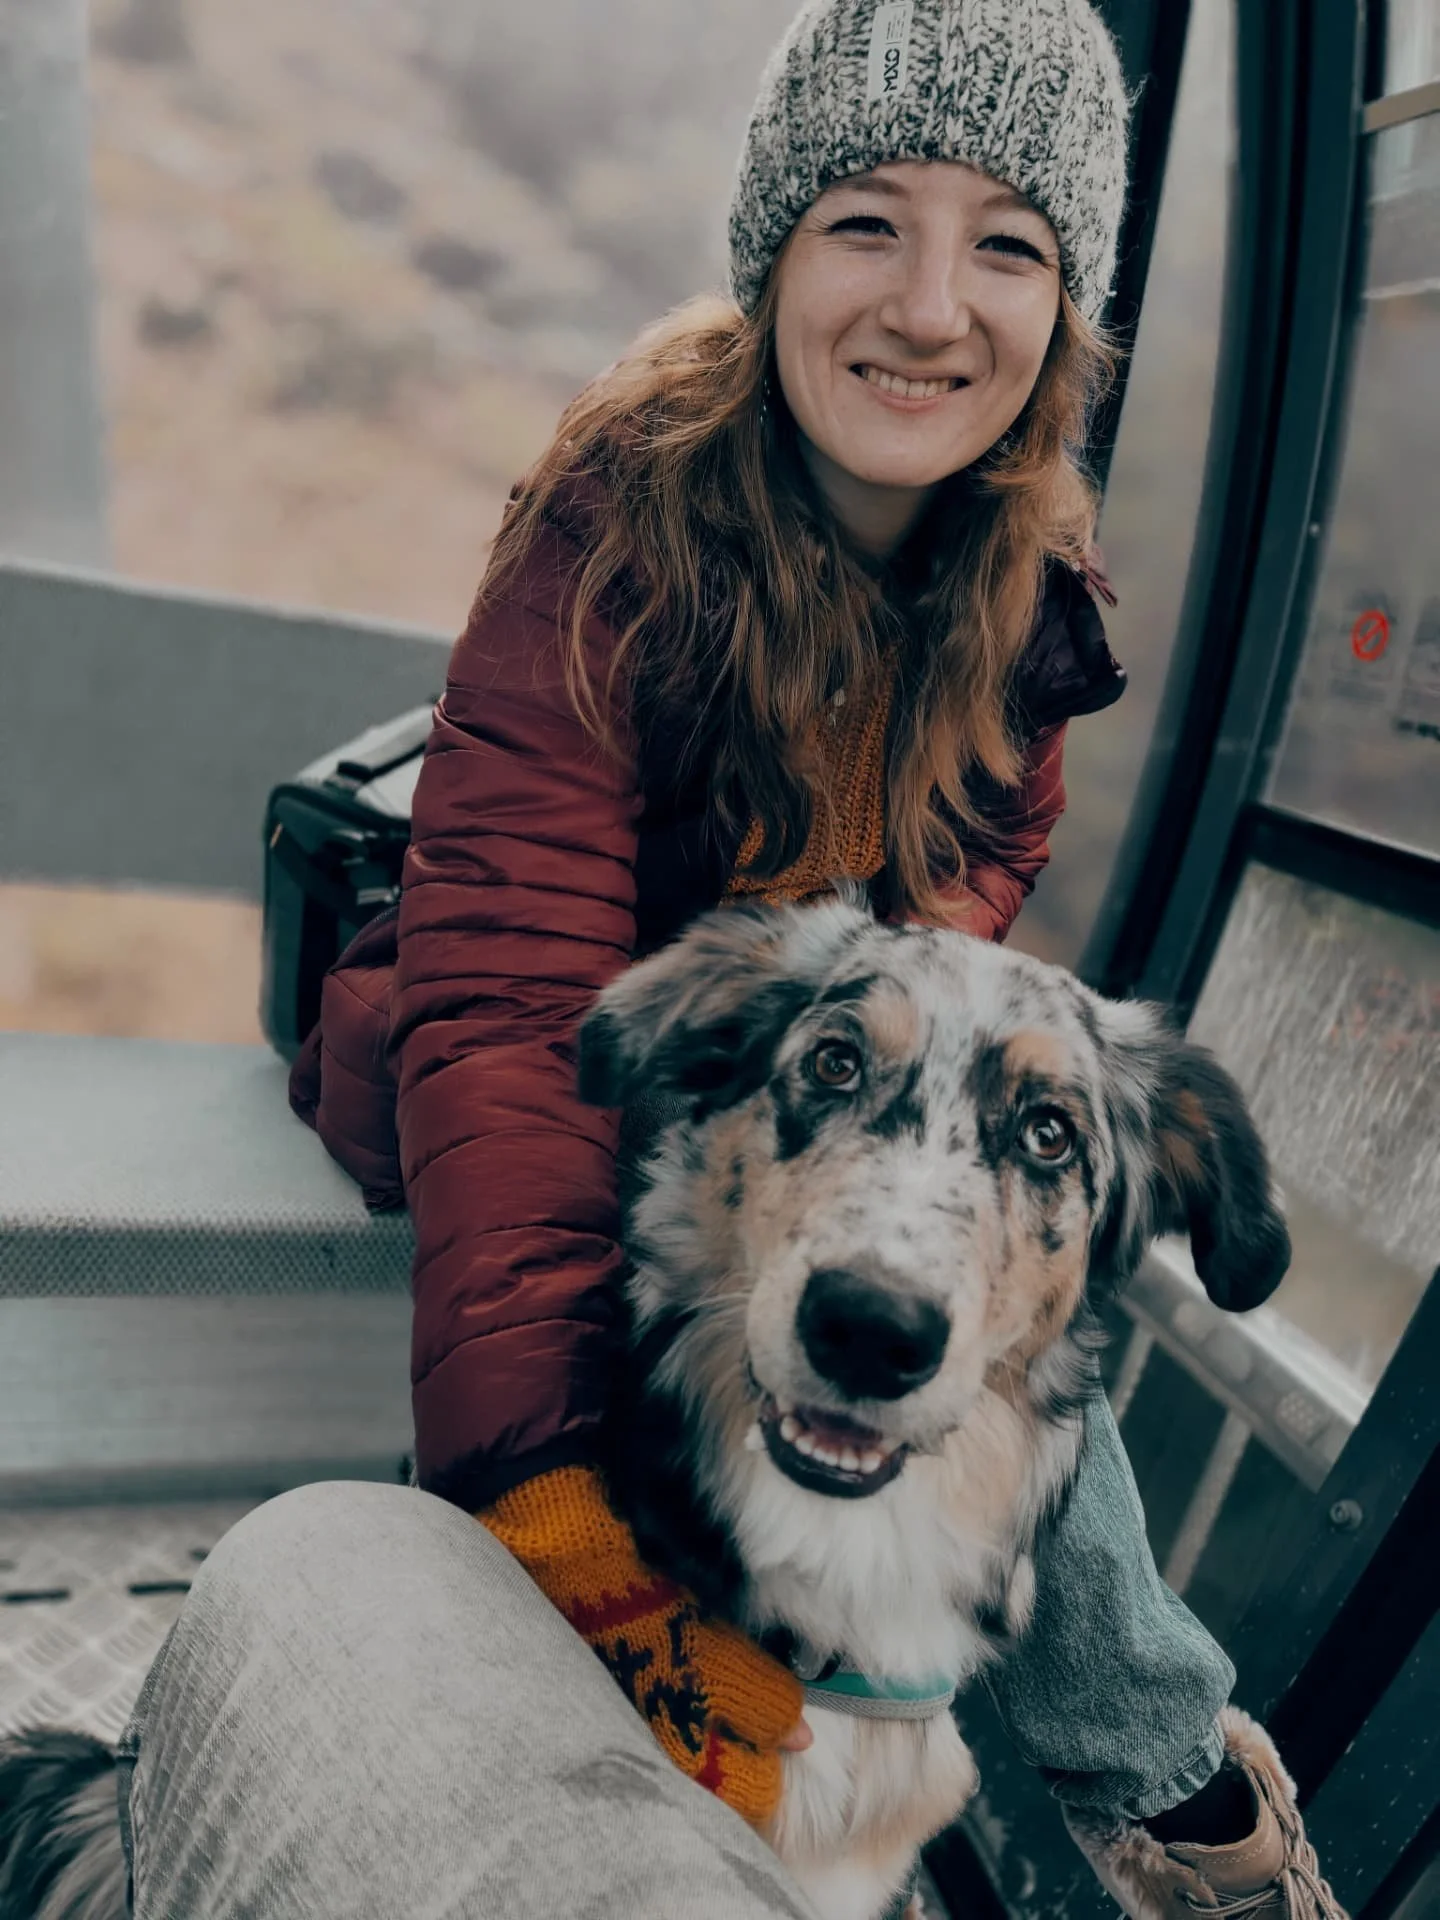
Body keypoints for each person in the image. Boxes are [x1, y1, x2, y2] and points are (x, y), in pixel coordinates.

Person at [4, 4, 1344, 1917]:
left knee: (989, 1311)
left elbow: (952, 940)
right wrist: (555, 1524)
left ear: (1066, 313)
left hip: (783, 1089)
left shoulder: (1026, 603)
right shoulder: (620, 522)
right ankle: (1142, 1784)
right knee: (732, 1312)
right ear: (775, 250)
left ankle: (1142, 1780)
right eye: (867, 221)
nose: (932, 308)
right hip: (547, 1064)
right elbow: (503, 1001)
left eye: (1009, 245)